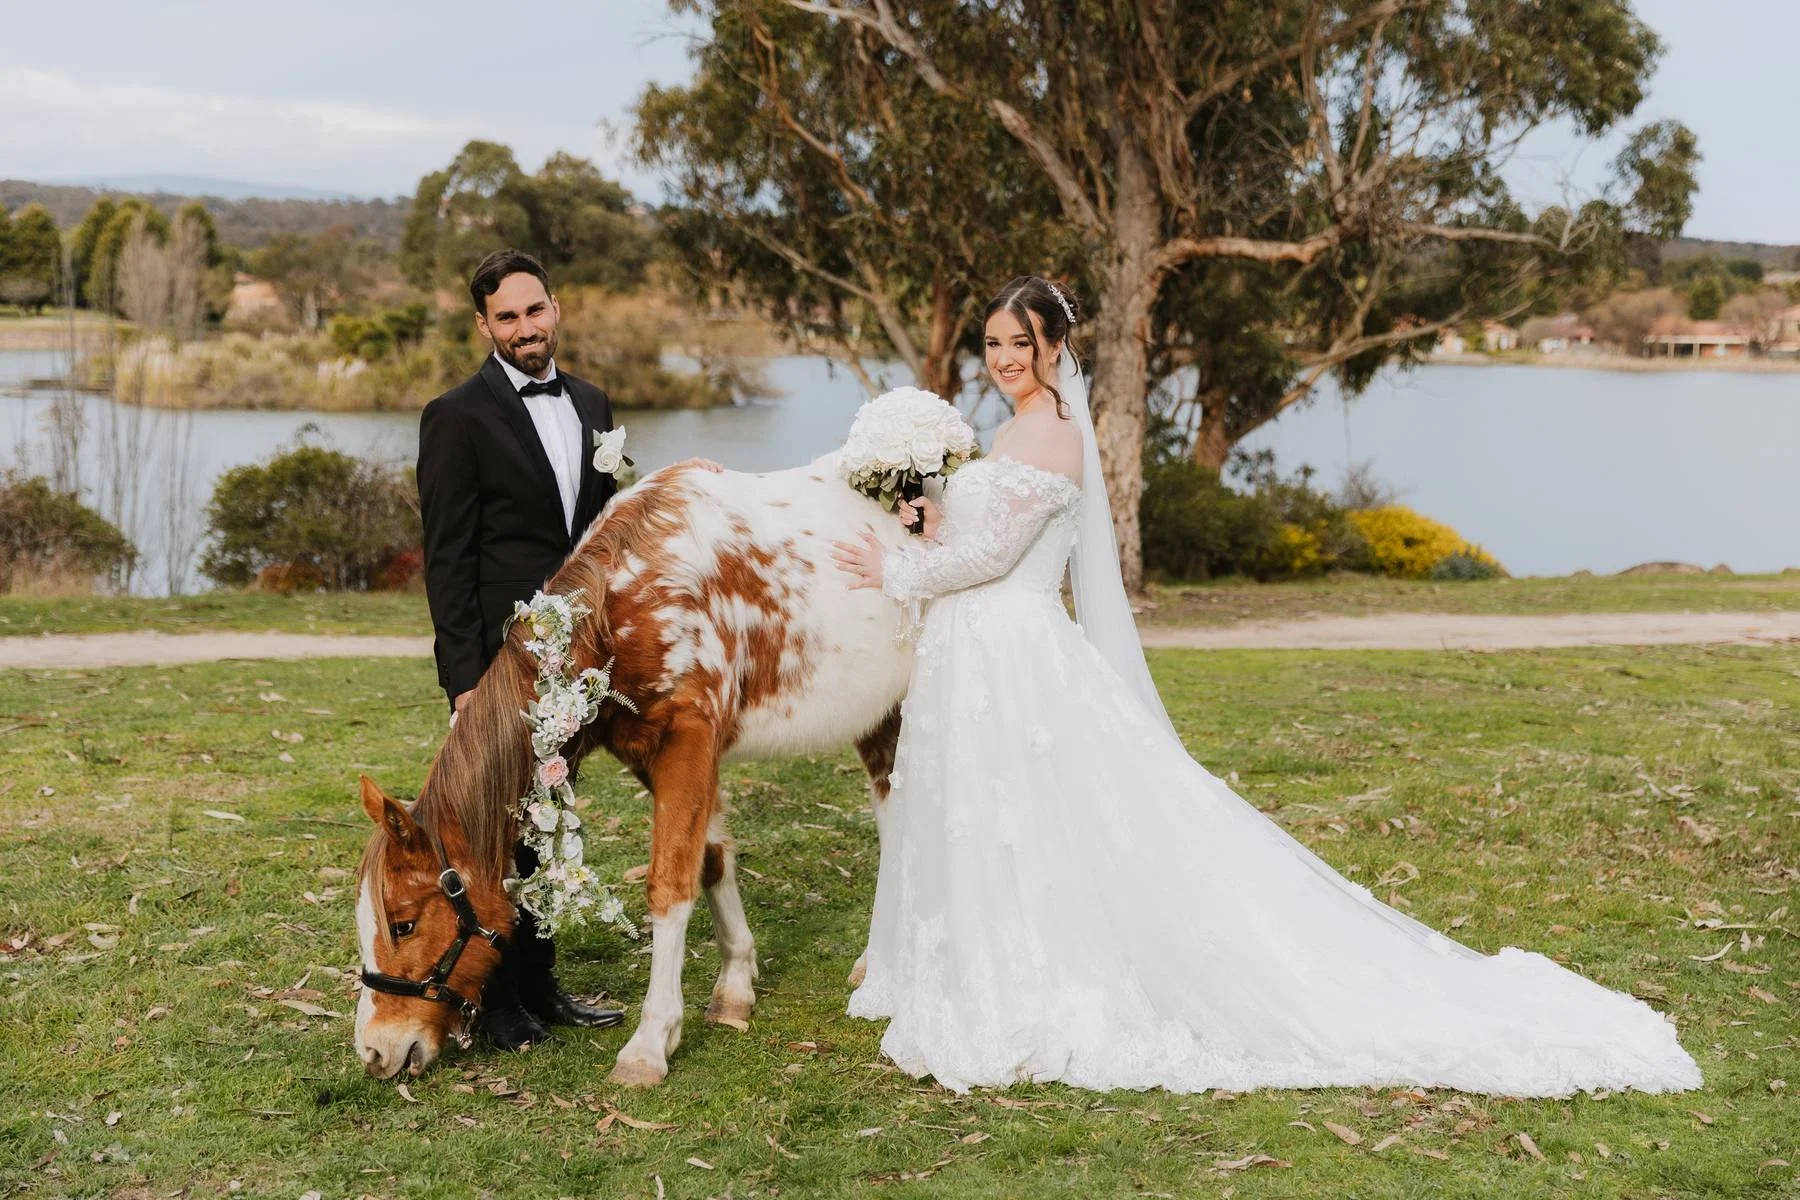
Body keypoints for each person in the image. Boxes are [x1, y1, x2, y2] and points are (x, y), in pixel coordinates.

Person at [830, 276, 1701, 1096]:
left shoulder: (1052, 432)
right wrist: (929, 515)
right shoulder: (1017, 432)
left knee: (1042, 816)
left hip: (1014, 652)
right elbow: (978, 536)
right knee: (1000, 816)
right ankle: (989, 959)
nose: (1004, 357)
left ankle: (1039, 978)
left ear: (1056, 346)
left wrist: (897, 567)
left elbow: (990, 561)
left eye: (1020, 342)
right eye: (992, 343)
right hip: (985, 650)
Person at [417, 248, 633, 1047]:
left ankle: (543, 989)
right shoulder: (455, 416)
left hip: (576, 658)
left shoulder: (591, 401)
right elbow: (447, 558)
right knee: (496, 832)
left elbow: (607, 534)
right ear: (483, 325)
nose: (524, 328)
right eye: (505, 317)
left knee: (550, 823)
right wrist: (464, 682)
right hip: (498, 666)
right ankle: (496, 1002)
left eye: (533, 311)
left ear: (555, 308)